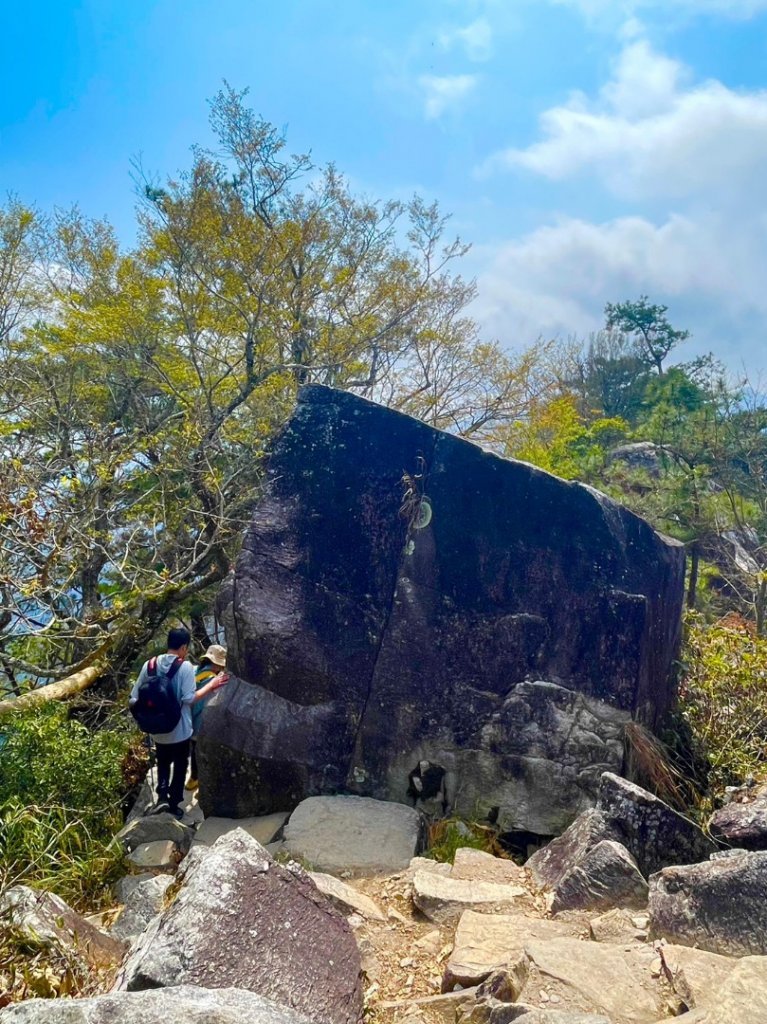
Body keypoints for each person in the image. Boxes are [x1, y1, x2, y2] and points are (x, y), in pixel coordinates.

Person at [130, 627, 229, 819]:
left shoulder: (149, 665)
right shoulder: (184, 667)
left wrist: (146, 717)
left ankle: (162, 799)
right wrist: (212, 685)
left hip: (157, 729)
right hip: (180, 729)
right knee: (181, 765)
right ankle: (174, 803)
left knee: (164, 763)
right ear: (184, 647)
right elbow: (190, 698)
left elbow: (133, 699)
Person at [185, 643, 227, 793]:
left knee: (195, 753)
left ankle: (193, 780)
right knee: (206, 757)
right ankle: (204, 789)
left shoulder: (196, 672)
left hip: (190, 722)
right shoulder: (213, 679)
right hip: (203, 724)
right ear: (217, 664)